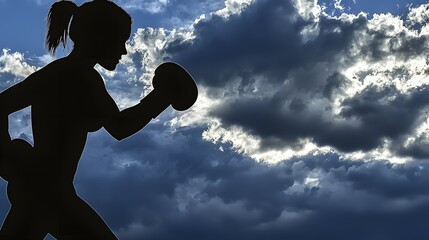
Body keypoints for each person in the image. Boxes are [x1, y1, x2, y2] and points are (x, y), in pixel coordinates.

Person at [0, 0, 186, 239]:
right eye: (120, 42)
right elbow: (120, 127)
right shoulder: (80, 77)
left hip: (48, 191)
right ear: (99, 38)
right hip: (50, 194)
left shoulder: (65, 73)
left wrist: (13, 161)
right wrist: (162, 97)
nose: (124, 51)